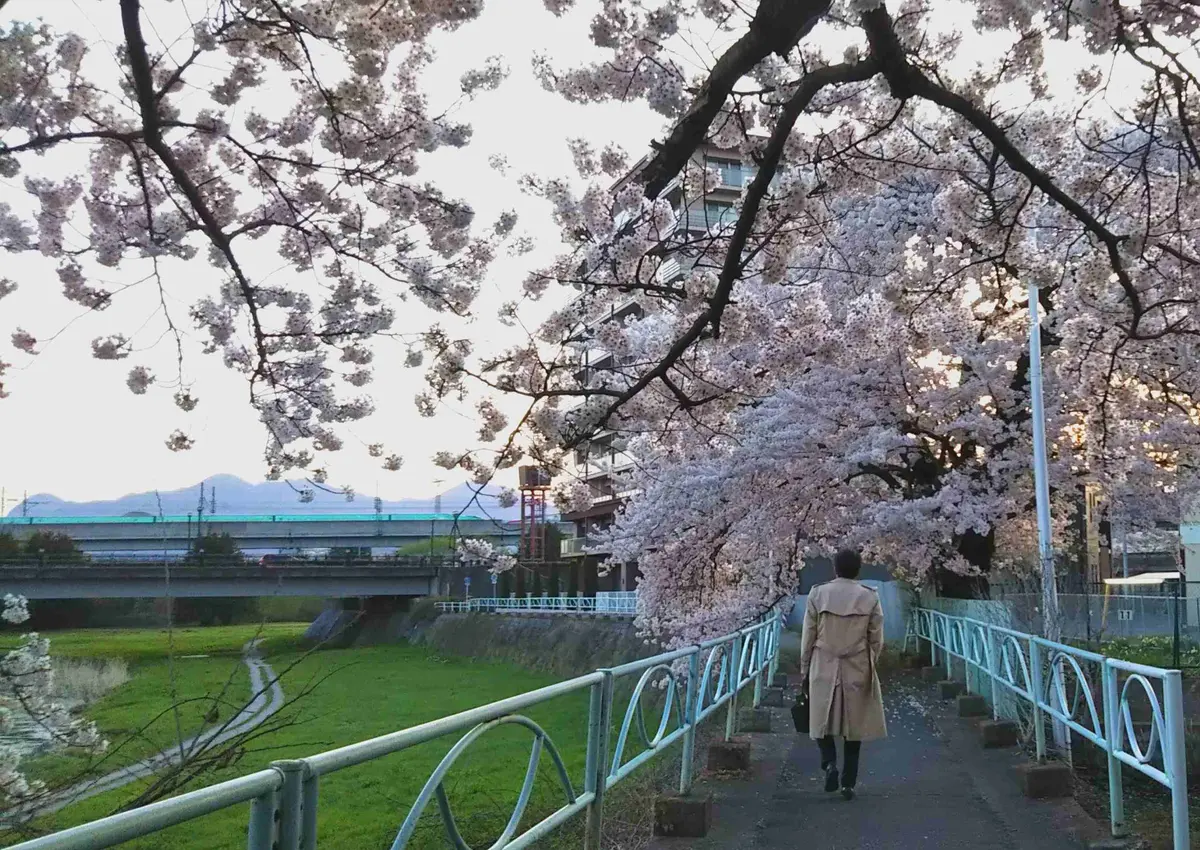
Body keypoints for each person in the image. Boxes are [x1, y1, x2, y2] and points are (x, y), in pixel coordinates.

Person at [798, 549, 887, 800]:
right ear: (858, 570)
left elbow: (809, 636)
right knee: (854, 725)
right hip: (857, 663)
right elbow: (877, 638)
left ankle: (829, 764)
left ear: (834, 568)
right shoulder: (869, 597)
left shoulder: (818, 593)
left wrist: (805, 668)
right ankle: (848, 782)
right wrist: (870, 661)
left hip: (823, 662)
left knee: (819, 717)